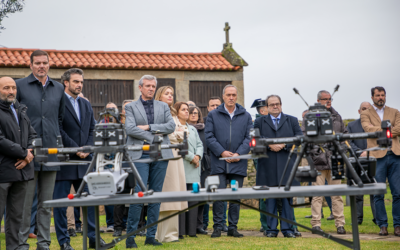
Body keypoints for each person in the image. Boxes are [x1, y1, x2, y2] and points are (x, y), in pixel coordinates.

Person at [16, 50, 65, 250]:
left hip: (51, 152)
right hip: (28, 152)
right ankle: (21, 243)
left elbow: (59, 119)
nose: (41, 66)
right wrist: (22, 149)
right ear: (31, 65)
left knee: (47, 203)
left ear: (49, 64)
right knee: (26, 203)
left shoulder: (59, 88)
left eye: (44, 62)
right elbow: (14, 120)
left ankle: (44, 243)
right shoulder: (20, 86)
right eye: (37, 63)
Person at [53, 68, 107, 250]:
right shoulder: (57, 102)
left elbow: (93, 129)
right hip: (65, 161)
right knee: (60, 205)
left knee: (90, 202)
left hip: (86, 161)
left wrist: (88, 147)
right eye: (76, 81)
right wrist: (76, 149)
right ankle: (64, 242)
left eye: (81, 82)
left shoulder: (85, 104)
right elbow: (57, 128)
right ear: (66, 83)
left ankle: (93, 238)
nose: (79, 85)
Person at [124, 75, 175, 248]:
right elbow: (130, 129)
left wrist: (148, 128)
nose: (151, 89)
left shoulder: (163, 106)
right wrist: (155, 137)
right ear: (140, 87)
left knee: (155, 195)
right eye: (147, 86)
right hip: (139, 154)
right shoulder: (130, 107)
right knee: (138, 194)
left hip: (160, 154)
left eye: (153, 86)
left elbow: (171, 126)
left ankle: (150, 236)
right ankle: (130, 238)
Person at [205, 85, 253, 238]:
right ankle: (218, 227)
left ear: (236, 96)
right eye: (228, 95)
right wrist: (223, 152)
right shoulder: (213, 114)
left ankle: (233, 227)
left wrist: (239, 153)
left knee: (235, 196)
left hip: (238, 162)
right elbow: (209, 137)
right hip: (219, 162)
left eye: (234, 95)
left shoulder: (246, 115)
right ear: (223, 96)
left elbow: (249, 138)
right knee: (218, 195)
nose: (231, 97)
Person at [254, 95, 302, 238]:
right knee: (270, 198)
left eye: (277, 104)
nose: (275, 106)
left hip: (286, 163)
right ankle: (271, 230)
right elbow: (255, 138)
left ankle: (288, 230)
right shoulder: (259, 121)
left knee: (287, 198)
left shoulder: (292, 120)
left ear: (281, 105)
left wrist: (284, 144)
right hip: (267, 164)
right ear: (267, 107)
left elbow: (299, 137)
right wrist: (270, 144)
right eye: (272, 104)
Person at [0, 77, 36, 250]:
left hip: (22, 172)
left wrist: (29, 153)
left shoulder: (20, 109)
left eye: (13, 87)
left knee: (16, 218)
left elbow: (33, 136)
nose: (11, 91)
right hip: (2, 172)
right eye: (6, 88)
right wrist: (24, 153)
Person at [361, 86, 400, 237]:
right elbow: (367, 129)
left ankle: (398, 225)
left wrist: (380, 130)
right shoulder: (366, 113)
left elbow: (399, 128)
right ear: (372, 97)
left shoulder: (395, 112)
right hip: (377, 157)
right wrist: (388, 129)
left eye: (382, 95)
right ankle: (382, 225)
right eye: (377, 95)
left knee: (398, 193)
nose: (380, 97)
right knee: (378, 194)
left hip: (395, 155)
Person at [306, 90, 346, 234]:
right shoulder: (311, 116)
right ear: (318, 101)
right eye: (325, 99)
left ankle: (340, 224)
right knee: (317, 194)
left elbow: (344, 136)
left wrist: (340, 150)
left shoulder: (337, 116)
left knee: (337, 195)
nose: (328, 101)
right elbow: (305, 138)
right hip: (318, 162)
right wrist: (316, 153)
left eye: (330, 99)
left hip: (336, 160)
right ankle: (316, 224)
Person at [154, 86, 188, 243]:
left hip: (177, 157)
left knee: (175, 194)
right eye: (166, 93)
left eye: (172, 94)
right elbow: (166, 135)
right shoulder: (157, 112)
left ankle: (171, 234)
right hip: (165, 155)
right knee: (166, 195)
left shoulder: (173, 114)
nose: (170, 96)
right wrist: (178, 134)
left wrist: (178, 134)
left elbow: (183, 132)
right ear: (159, 96)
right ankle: (162, 234)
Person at [347, 101, 377, 225]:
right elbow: (348, 141)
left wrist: (370, 152)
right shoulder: (351, 125)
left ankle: (378, 219)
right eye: (363, 108)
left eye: (368, 109)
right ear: (359, 111)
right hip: (357, 161)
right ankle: (358, 219)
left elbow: (380, 140)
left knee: (374, 192)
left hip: (374, 160)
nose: (366, 110)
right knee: (358, 192)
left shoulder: (376, 124)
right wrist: (360, 152)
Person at [179, 103, 204, 238]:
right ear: (177, 113)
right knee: (183, 201)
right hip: (183, 166)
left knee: (193, 201)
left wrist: (198, 156)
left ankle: (192, 231)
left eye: (187, 110)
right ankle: (181, 231)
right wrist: (191, 157)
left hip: (194, 168)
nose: (187, 112)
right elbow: (179, 146)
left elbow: (200, 144)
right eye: (183, 110)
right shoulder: (176, 128)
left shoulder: (193, 129)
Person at [201, 96, 224, 231]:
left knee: (221, 193)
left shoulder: (225, 122)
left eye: (217, 105)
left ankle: (223, 224)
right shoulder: (202, 125)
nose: (215, 108)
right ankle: (204, 224)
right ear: (208, 108)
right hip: (205, 164)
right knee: (205, 195)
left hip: (220, 161)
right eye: (212, 106)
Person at [113, 99, 134, 237]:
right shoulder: (116, 127)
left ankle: (138, 225)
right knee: (119, 197)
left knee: (137, 195)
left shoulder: (138, 126)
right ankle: (118, 227)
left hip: (135, 164)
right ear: (122, 111)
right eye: (127, 108)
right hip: (119, 165)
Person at [188, 106, 208, 235]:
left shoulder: (205, 129)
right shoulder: (185, 129)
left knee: (201, 197)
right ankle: (189, 225)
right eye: (191, 113)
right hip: (190, 166)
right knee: (190, 197)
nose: (194, 115)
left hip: (204, 165)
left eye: (196, 113)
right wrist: (193, 158)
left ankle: (199, 225)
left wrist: (200, 158)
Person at [250, 98, 269, 233]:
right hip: (262, 161)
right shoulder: (255, 124)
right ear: (262, 110)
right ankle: (265, 222)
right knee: (264, 194)